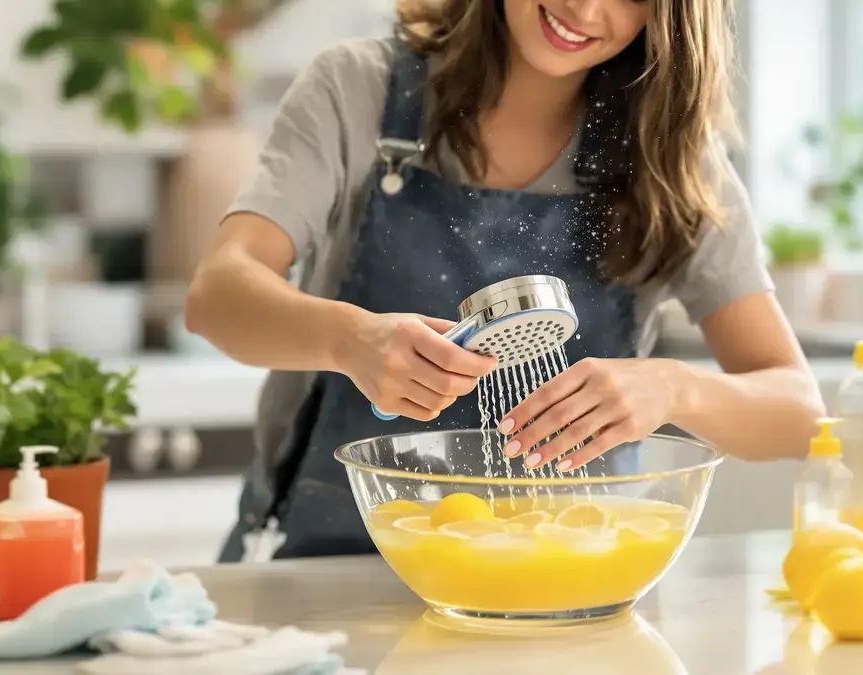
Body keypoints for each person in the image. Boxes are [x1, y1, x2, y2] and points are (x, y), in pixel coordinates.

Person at [186, 0, 826, 562]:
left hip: (574, 588)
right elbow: (218, 295)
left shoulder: (670, 162)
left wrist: (674, 388)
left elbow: (801, 416)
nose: (586, 9)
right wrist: (350, 340)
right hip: (329, 575)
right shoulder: (358, 89)